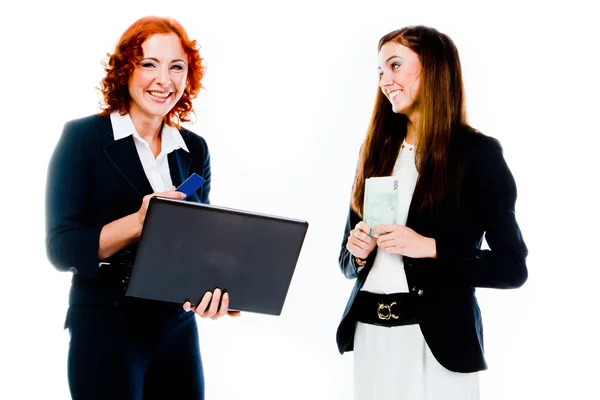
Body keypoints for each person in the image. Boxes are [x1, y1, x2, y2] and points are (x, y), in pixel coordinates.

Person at [45, 16, 239, 400]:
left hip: (176, 330)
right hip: (104, 326)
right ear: (126, 69)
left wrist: (217, 292)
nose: (163, 80)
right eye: (149, 64)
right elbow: (61, 248)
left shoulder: (194, 150)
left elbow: (199, 246)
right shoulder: (82, 139)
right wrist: (138, 222)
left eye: (176, 67)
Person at [335, 25, 528, 400]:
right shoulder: (374, 151)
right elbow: (345, 262)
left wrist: (431, 247)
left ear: (435, 68)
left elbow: (512, 268)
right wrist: (356, 252)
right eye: (379, 72)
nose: (384, 81)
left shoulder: (478, 154)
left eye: (394, 66)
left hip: (437, 343)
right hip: (371, 335)